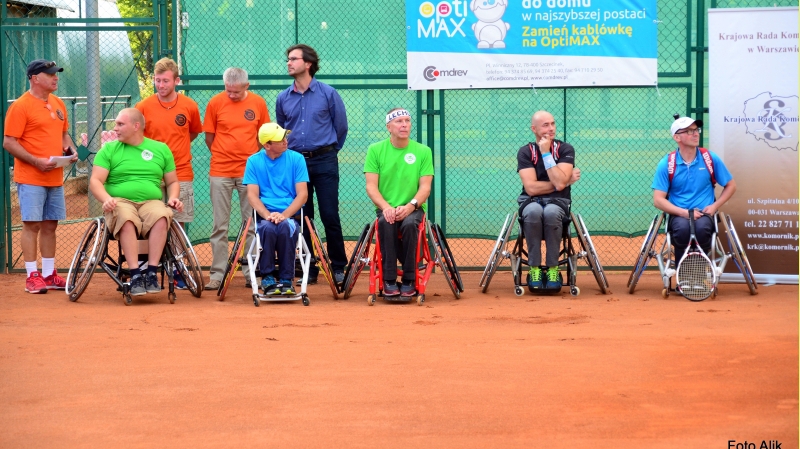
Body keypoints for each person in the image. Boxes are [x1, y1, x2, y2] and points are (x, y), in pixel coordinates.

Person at [88, 108, 183, 296]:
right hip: (120, 201)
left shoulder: (161, 149)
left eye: (120, 124)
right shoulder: (108, 149)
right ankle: (135, 274)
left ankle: (151, 273)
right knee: (125, 217)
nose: (115, 128)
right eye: (116, 124)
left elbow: (172, 181)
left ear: (136, 126)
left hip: (151, 201)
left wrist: (173, 197)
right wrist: (106, 200)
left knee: (162, 216)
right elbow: (95, 181)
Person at [3, 59, 78, 294]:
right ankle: (31, 276)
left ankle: (48, 274)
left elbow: (64, 135)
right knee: (32, 224)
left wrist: (71, 151)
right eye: (50, 74)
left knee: (50, 225)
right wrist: (36, 161)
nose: (56, 77)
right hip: (31, 176)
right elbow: (8, 142)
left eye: (56, 74)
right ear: (35, 78)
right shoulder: (20, 106)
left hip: (54, 176)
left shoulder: (57, 104)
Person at [276, 44, 348, 286]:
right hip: (296, 163)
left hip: (325, 161)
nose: (289, 62)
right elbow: (282, 131)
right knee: (302, 217)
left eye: (294, 59)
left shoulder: (328, 93)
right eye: (288, 59)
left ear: (308, 64)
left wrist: (329, 151)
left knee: (329, 215)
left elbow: (341, 128)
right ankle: (309, 266)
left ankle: (338, 267)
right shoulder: (283, 98)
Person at [135, 57, 202, 290]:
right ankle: (144, 270)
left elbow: (192, 133)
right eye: (157, 80)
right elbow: (136, 138)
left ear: (176, 81)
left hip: (181, 172)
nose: (161, 85)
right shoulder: (143, 107)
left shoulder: (189, 106)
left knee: (179, 224)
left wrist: (175, 154)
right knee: (146, 221)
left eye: (165, 81)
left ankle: (179, 270)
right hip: (150, 175)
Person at [203, 67, 270, 290]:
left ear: (247, 86)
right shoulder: (215, 103)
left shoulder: (258, 103)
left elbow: (263, 136)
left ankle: (251, 272)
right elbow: (209, 137)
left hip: (249, 173)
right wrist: (224, 155)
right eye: (228, 90)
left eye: (236, 92)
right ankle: (218, 274)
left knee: (250, 224)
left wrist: (250, 161)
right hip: (220, 171)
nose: (231, 95)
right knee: (220, 225)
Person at [364, 108, 433, 298]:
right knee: (386, 222)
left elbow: (425, 188)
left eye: (407, 121)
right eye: (398, 121)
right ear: (389, 127)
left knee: (411, 224)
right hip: (386, 208)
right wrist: (386, 208)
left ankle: (410, 279)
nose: (404, 125)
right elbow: (371, 187)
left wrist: (411, 206)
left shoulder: (423, 151)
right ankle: (389, 280)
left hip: (413, 207)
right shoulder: (375, 150)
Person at [652, 116, 736, 261]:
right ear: (677, 137)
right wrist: (683, 213)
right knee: (682, 229)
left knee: (702, 229)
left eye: (696, 130)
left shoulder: (710, 158)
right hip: (678, 215)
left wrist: (715, 206)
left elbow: (731, 185)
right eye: (689, 131)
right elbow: (658, 200)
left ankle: (699, 274)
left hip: (705, 214)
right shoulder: (666, 163)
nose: (696, 134)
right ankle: (683, 277)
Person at [516, 110, 580, 290]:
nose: (551, 128)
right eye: (545, 125)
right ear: (534, 129)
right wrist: (565, 181)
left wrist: (546, 154)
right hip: (531, 201)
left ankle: (553, 268)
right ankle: (534, 268)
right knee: (534, 211)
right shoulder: (525, 152)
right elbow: (531, 188)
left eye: (553, 124)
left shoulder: (565, 149)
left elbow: (559, 185)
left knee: (551, 212)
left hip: (558, 203)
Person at [244, 123, 309, 295]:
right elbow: (252, 195)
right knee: (268, 229)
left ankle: (287, 279)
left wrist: (284, 215)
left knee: (285, 227)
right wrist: (267, 215)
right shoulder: (253, 161)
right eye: (280, 139)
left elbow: (302, 195)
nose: (286, 141)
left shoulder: (297, 159)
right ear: (267, 145)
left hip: (289, 215)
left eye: (285, 137)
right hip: (266, 217)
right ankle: (267, 278)